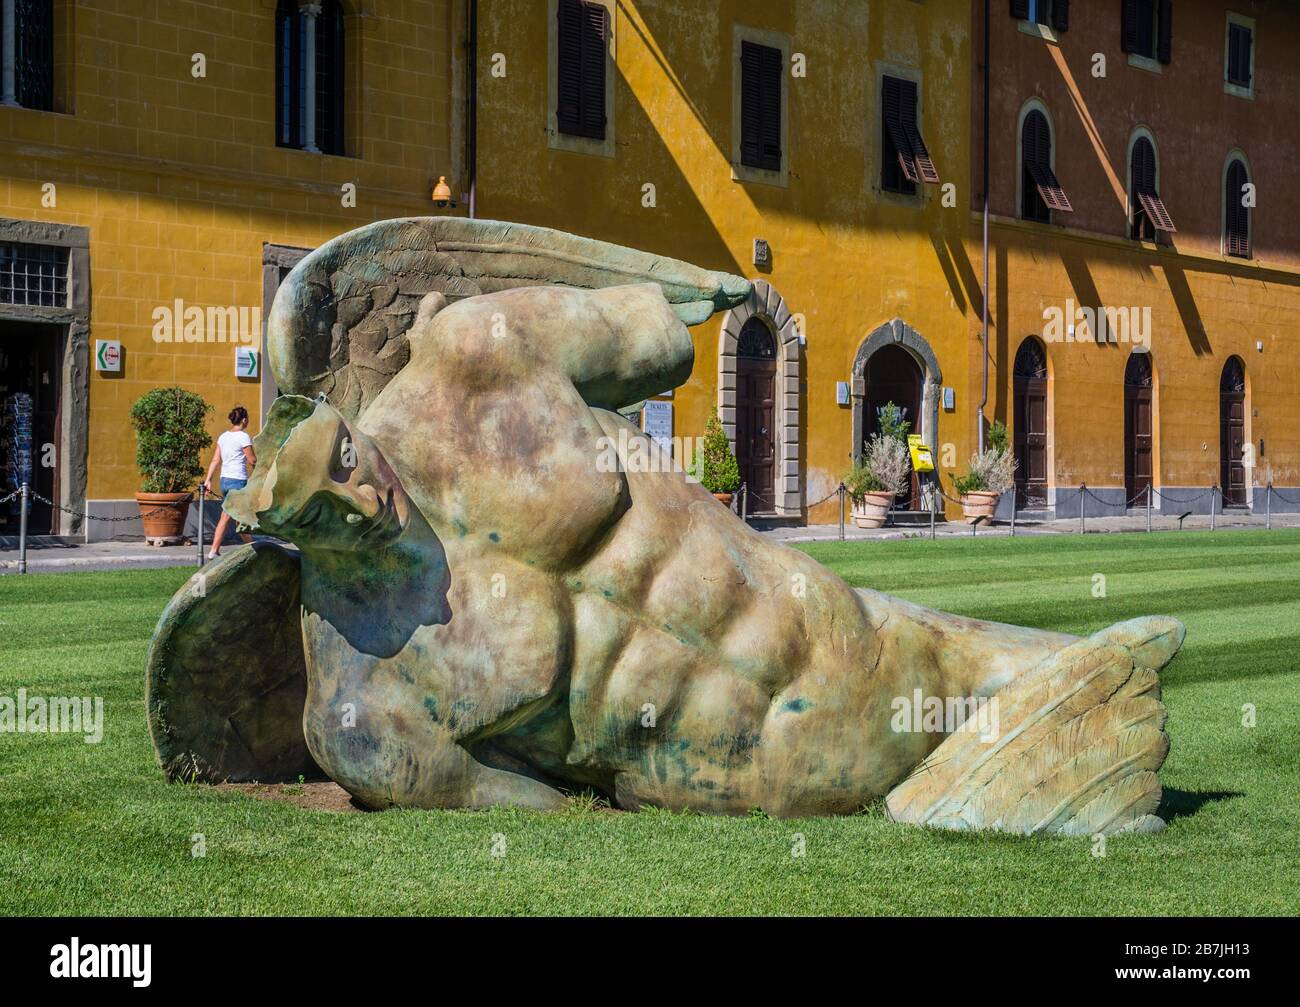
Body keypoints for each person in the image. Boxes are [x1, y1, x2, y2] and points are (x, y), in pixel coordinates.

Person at [202, 406, 256, 559]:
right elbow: (252, 459)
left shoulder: (223, 437)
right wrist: (260, 471)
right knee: (226, 515)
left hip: (224, 481)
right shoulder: (243, 437)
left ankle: (251, 548)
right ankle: (214, 550)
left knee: (240, 517)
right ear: (244, 420)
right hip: (237, 482)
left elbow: (215, 460)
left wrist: (208, 480)